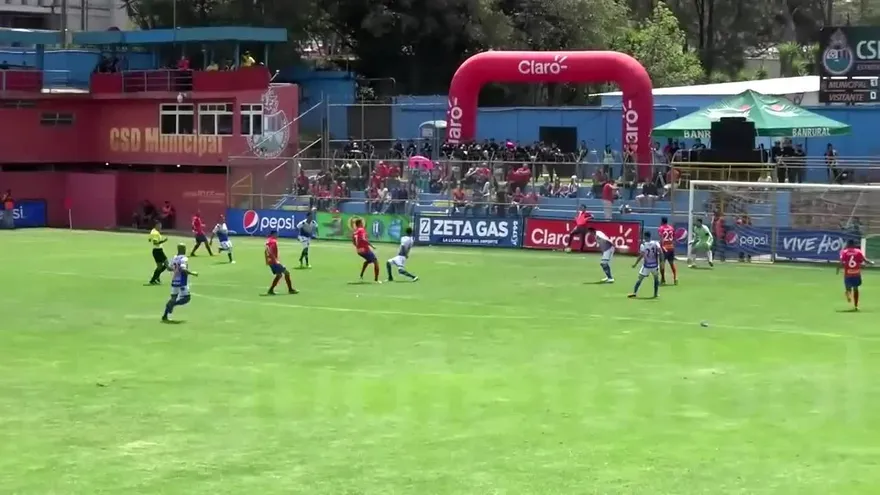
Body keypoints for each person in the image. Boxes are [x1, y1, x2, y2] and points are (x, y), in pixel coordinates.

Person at [162, 244, 198, 322]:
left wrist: (167, 265)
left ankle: (165, 315)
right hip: (182, 281)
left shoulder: (174, 258)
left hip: (174, 280)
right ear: (183, 249)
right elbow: (183, 269)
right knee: (186, 298)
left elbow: (169, 268)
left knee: (173, 298)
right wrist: (192, 273)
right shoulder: (184, 258)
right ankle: (173, 304)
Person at [838, 239, 873, 311]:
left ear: (848, 244)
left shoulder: (844, 252)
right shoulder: (858, 251)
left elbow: (841, 262)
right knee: (856, 289)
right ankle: (856, 306)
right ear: (854, 245)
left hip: (848, 273)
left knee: (848, 288)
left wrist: (838, 269)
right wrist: (871, 262)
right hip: (856, 273)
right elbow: (864, 260)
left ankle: (848, 294)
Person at [629, 232, 661, 298]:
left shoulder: (643, 245)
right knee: (656, 279)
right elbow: (660, 252)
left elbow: (641, 255)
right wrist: (662, 261)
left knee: (640, 279)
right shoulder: (656, 243)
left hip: (647, 266)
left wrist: (635, 264)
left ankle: (634, 292)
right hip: (655, 265)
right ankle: (655, 294)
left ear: (645, 237)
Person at [265, 230, 298, 295]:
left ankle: (271, 290)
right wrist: (275, 260)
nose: (277, 235)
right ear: (273, 234)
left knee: (279, 275)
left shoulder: (268, 241)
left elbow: (266, 251)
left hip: (270, 261)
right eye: (276, 234)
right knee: (287, 273)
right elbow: (270, 251)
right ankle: (290, 289)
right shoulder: (273, 241)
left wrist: (267, 260)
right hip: (274, 262)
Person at [353, 218, 380, 283]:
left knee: (368, 261)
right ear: (359, 224)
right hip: (365, 249)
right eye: (361, 223)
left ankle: (361, 274)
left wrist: (357, 247)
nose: (362, 224)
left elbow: (353, 240)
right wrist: (372, 246)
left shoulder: (355, 232)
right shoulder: (361, 230)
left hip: (359, 250)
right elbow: (363, 239)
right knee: (376, 262)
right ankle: (376, 280)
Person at [657, 217, 678, 285]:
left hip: (664, 248)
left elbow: (661, 238)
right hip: (671, 247)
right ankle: (675, 278)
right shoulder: (671, 228)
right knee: (671, 263)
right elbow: (674, 238)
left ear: (662, 221)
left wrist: (660, 247)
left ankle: (663, 279)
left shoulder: (661, 228)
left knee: (662, 263)